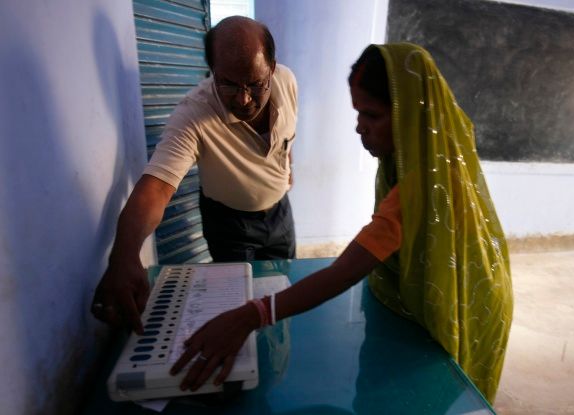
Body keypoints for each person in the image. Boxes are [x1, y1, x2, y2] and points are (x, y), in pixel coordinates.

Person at [169, 43, 513, 404]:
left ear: (411, 115)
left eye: (372, 115)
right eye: (357, 114)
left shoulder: (424, 187)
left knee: (431, 396)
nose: (359, 128)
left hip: (473, 298)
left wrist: (252, 315)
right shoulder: (415, 156)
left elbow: (347, 270)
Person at [91, 16, 298, 334]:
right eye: (228, 83)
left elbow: (287, 135)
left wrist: (287, 167)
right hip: (231, 227)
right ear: (212, 71)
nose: (243, 99)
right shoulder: (192, 115)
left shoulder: (287, 81)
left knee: (281, 296)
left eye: (255, 84)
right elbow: (157, 189)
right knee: (239, 313)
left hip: (280, 214)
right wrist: (124, 253)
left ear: (272, 67)